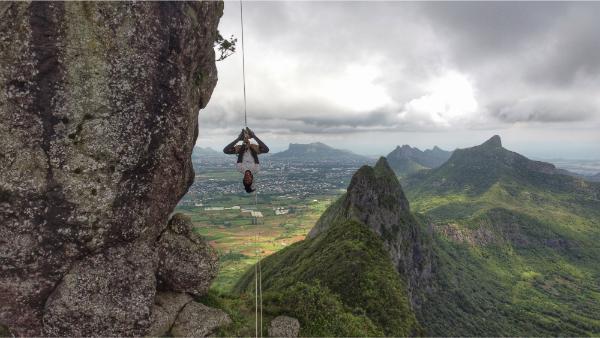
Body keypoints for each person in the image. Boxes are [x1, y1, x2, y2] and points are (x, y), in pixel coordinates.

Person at [223, 127, 269, 193]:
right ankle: (253, 135)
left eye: (245, 180)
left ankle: (239, 138)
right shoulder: (256, 169)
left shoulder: (240, 169)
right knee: (266, 150)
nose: (247, 179)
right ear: (251, 179)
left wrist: (244, 143)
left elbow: (240, 155)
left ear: (243, 179)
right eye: (249, 180)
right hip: (253, 151)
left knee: (226, 150)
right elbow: (255, 157)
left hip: (242, 150)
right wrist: (249, 145)